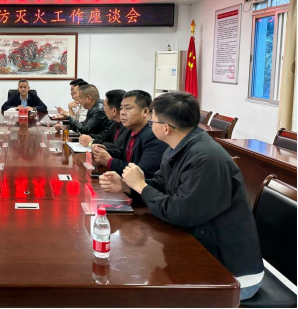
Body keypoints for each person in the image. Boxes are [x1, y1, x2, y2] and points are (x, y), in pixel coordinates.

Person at [98, 91, 264, 301]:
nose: (150, 126)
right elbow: (161, 184)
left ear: (166, 128)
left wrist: (141, 186)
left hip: (229, 271)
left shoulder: (205, 158)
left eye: (152, 122)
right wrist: (127, 186)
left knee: (144, 296)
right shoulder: (179, 146)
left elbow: (179, 212)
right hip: (202, 248)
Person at [92, 90, 167, 178]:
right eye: (121, 108)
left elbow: (143, 172)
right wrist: (104, 151)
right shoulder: (131, 130)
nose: (122, 112)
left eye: (128, 108)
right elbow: (122, 153)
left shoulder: (154, 135)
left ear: (145, 112)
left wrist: (109, 161)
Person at [80, 89, 128, 156]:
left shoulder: (128, 126)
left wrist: (91, 142)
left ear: (114, 111)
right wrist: (88, 137)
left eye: (104, 106)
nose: (103, 109)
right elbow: (104, 136)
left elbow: (116, 147)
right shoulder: (115, 123)